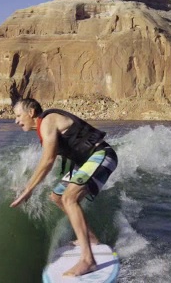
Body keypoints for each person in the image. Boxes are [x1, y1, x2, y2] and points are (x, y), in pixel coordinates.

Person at [9, 98, 118, 277]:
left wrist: (29, 190)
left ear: (31, 113)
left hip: (101, 155)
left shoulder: (47, 121)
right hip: (85, 162)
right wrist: (25, 185)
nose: (16, 121)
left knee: (69, 198)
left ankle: (88, 260)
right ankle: (90, 238)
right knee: (57, 196)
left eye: (18, 115)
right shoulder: (44, 126)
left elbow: (48, 160)